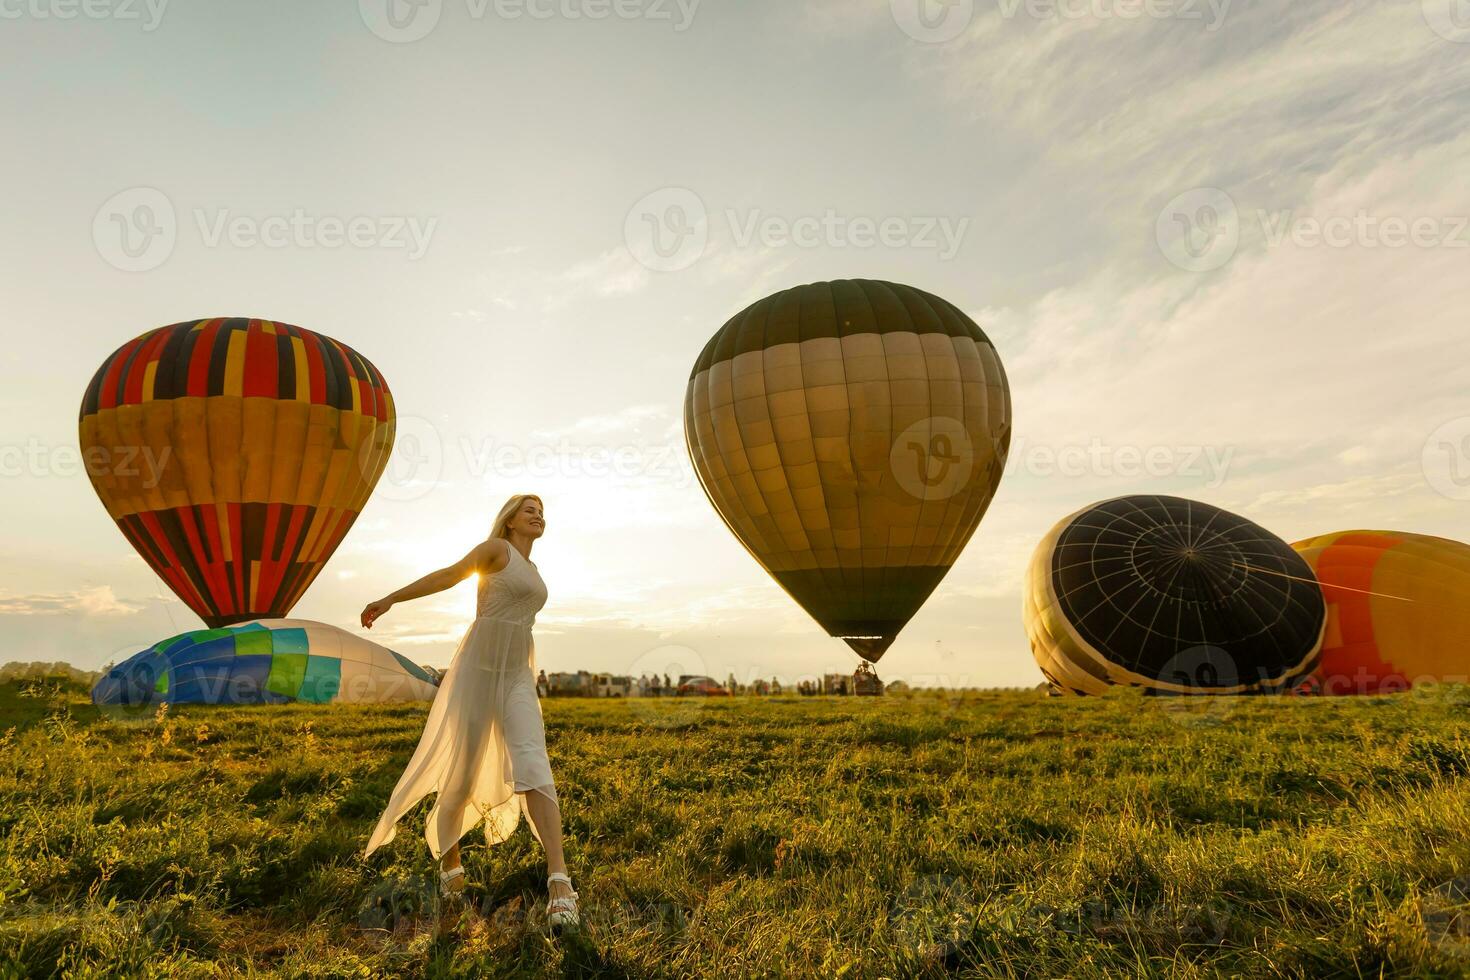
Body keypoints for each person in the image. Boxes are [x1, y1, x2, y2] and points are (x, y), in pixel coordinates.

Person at [358, 494, 579, 931]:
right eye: (528, 510)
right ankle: (450, 868)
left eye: (541, 511)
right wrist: (390, 600)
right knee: (460, 774)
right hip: (479, 670)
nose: (538, 515)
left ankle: (560, 883)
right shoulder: (496, 551)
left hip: (517, 673)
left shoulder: (534, 571)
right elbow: (448, 576)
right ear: (510, 520)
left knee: (533, 761)